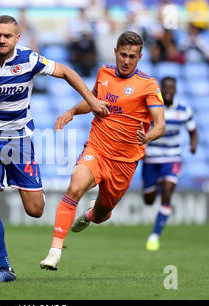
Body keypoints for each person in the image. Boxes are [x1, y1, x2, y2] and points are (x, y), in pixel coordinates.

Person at [0, 15, 109, 283]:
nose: (1, 40)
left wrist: (92, 100)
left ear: (17, 38)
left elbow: (67, 72)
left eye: (7, 36)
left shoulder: (30, 59)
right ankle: (4, 268)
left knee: (35, 209)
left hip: (19, 141)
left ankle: (32, 190)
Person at [40, 31, 166, 271]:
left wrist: (147, 137)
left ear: (140, 57)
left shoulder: (148, 85)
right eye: (123, 55)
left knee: (101, 213)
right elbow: (94, 100)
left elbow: (160, 124)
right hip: (97, 148)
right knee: (75, 185)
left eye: (132, 56)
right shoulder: (104, 73)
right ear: (115, 52)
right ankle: (54, 251)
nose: (126, 61)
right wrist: (71, 112)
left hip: (125, 162)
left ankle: (90, 216)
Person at [144, 76, 198, 251]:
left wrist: (193, 144)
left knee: (167, 193)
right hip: (151, 157)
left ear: (175, 90)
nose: (167, 91)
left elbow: (193, 131)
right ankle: (157, 183)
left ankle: (154, 236)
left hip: (172, 157)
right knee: (149, 200)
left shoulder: (183, 109)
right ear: (160, 90)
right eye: (164, 88)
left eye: (171, 88)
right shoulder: (151, 107)